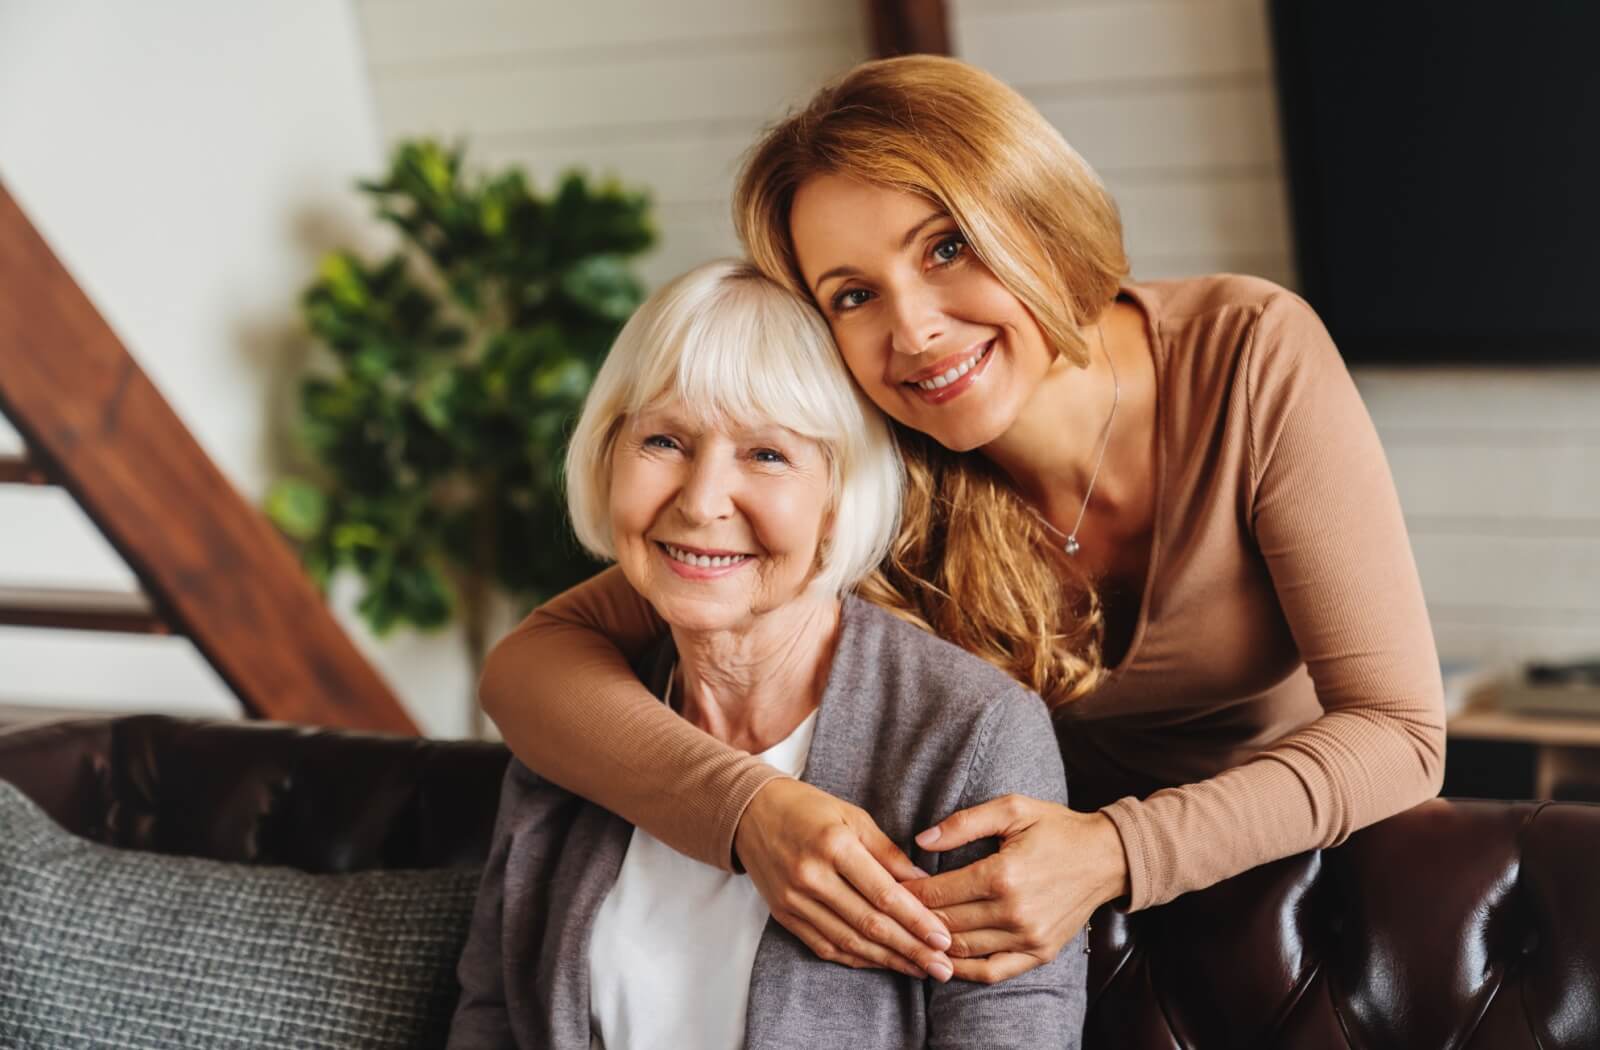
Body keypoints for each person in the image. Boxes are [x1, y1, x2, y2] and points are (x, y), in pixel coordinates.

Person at [476, 55, 1447, 985]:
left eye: (947, 247)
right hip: (1008, 934)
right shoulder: (874, 458)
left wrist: (1112, 852)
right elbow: (530, 668)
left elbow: (1400, 734)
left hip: (1296, 897)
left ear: (1033, 216)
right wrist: (747, 814)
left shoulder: (1246, 354)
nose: (913, 329)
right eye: (852, 295)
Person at [447, 259, 1087, 1049]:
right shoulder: (579, 722)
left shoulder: (970, 733)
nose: (701, 499)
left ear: (838, 495)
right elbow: (491, 1014)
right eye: (663, 440)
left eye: (768, 455)